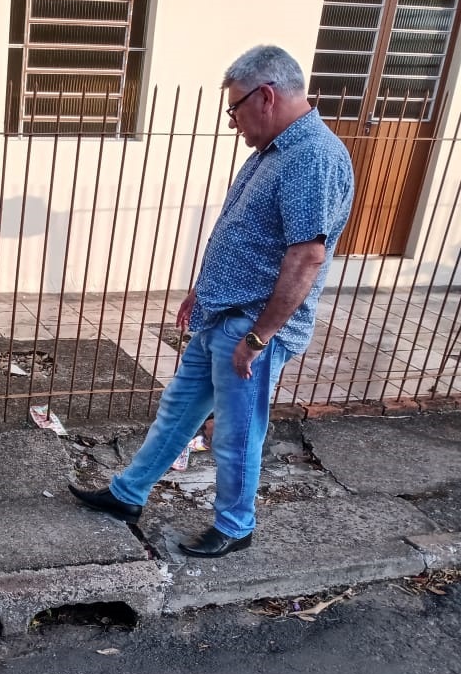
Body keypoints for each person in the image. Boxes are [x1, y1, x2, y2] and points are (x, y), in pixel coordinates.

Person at [69, 45, 355, 557]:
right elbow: (246, 235)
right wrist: (203, 291)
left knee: (235, 435)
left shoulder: (312, 156)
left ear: (265, 96)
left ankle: (236, 526)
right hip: (223, 317)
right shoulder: (274, 153)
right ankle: (127, 494)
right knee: (177, 414)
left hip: (250, 327)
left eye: (235, 109)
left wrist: (259, 336)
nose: (233, 122)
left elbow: (307, 257)